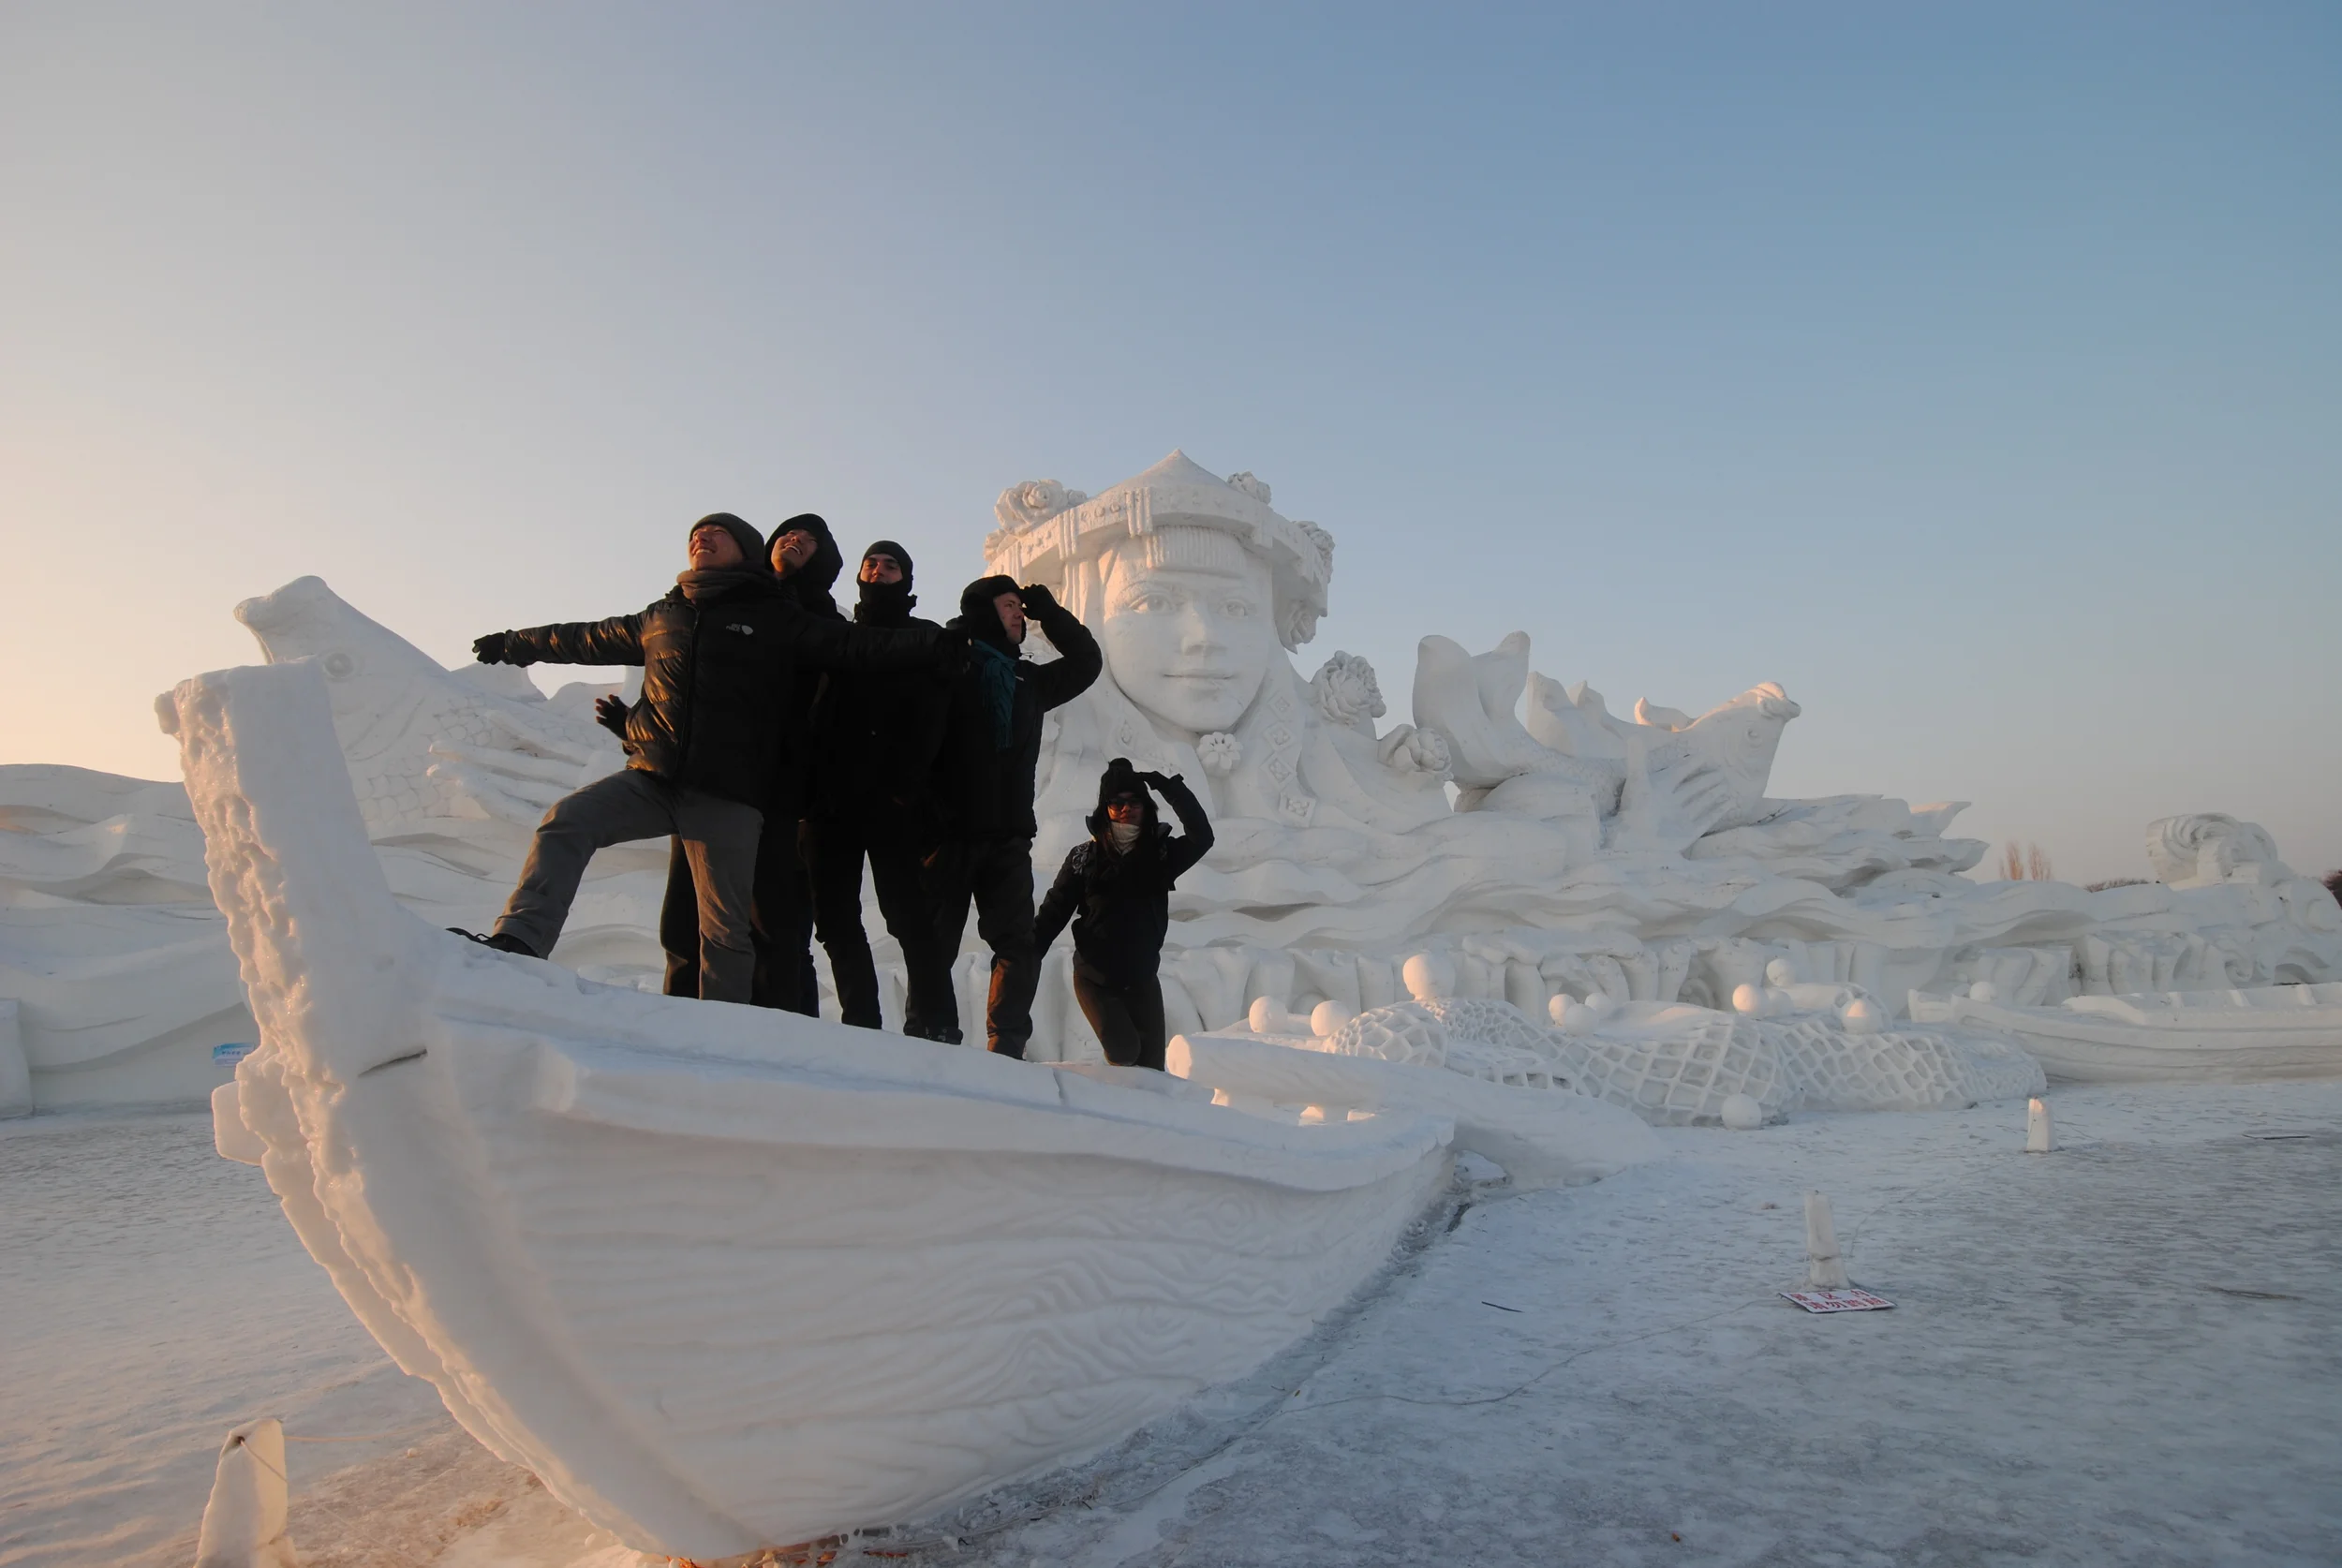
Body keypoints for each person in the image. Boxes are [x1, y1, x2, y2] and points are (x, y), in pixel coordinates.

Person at [475, 511, 945, 1003]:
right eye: (697, 533)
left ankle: (730, 1033)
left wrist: (937, 641)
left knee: (735, 930)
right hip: (657, 777)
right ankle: (521, 942)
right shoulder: (664, 616)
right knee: (578, 831)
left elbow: (858, 649)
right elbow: (583, 639)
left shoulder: (780, 617)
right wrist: (514, 646)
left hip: (746, 791)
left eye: (717, 533)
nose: (702, 536)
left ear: (746, 549)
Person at [653, 513, 880, 1010]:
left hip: (781, 789)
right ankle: (676, 1018)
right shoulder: (717, 604)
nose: (796, 540)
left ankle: (784, 1030)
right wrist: (637, 724)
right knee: (686, 911)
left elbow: (833, 710)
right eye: (788, 533)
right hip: (708, 774)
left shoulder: (823, 622)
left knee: (775, 919)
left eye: (810, 540)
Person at [926, 574, 1102, 1056]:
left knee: (1018, 946)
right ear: (982, 611)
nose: (1018, 614)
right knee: (933, 944)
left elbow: (1088, 662)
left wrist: (1051, 613)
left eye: (1020, 608)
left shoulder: (1030, 681)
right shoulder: (948, 664)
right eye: (1008, 606)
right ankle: (930, 1033)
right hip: (948, 833)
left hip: (1008, 838)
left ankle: (1006, 1044)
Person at [801, 540, 957, 1037]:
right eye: (872, 563)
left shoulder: (926, 639)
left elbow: (936, 720)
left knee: (909, 917)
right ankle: (860, 1023)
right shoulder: (838, 637)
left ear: (906, 579)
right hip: (829, 801)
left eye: (892, 565)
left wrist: (907, 787)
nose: (880, 569)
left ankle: (935, 1024)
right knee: (834, 916)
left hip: (895, 803)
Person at [1032, 759, 1213, 1070]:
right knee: (1124, 1052)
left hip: (1142, 979)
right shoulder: (1084, 858)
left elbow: (1202, 837)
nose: (1126, 808)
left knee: (1152, 1070)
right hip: (1095, 979)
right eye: (1116, 803)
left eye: (1134, 801)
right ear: (1106, 809)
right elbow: (1055, 910)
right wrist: (1024, 952)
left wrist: (1172, 789)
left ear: (1146, 806)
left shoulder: (1161, 855)